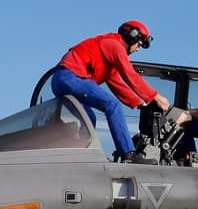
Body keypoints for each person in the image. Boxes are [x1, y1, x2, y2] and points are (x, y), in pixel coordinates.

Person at [50, 21, 171, 162]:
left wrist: (141, 104)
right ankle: (128, 154)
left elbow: (118, 85)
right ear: (132, 35)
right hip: (70, 77)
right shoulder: (113, 44)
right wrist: (155, 96)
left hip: (62, 80)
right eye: (139, 43)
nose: (138, 49)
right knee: (112, 105)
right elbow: (130, 74)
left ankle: (80, 155)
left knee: (89, 118)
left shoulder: (109, 61)